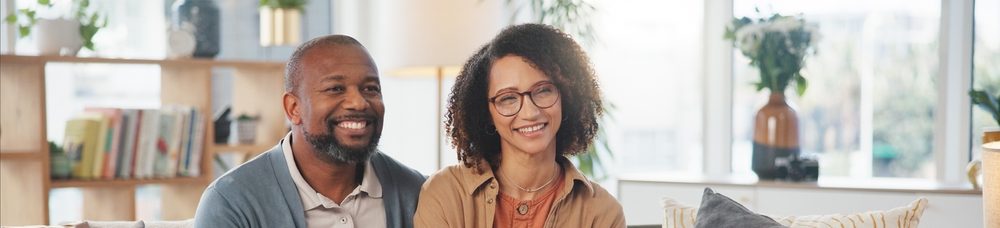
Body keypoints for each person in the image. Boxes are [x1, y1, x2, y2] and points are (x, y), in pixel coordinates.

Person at [195, 35, 426, 228]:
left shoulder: (416, 192)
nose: (359, 103)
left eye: (371, 88)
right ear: (293, 108)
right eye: (335, 89)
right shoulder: (231, 202)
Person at [414, 24, 626, 228]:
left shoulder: (602, 212)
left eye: (543, 91)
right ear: (486, 112)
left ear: (567, 97)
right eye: (508, 98)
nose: (530, 113)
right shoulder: (445, 193)